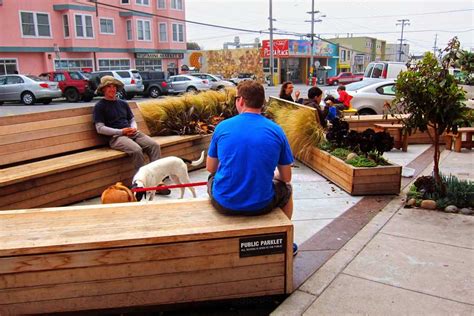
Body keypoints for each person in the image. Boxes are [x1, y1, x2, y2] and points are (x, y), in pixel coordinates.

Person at [206, 80, 298, 254]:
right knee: (287, 190)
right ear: (262, 102)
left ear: (240, 100)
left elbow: (210, 168)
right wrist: (272, 175)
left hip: (224, 203)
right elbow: (286, 177)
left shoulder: (223, 127)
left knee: (212, 178)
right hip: (261, 204)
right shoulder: (276, 130)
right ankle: (285, 241)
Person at [93, 75, 163, 173]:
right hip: (116, 137)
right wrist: (121, 132)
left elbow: (132, 119)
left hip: (132, 133)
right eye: (109, 86)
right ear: (103, 89)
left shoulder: (123, 103)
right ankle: (141, 183)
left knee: (154, 145)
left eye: (114, 86)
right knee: (137, 150)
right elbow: (100, 128)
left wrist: (133, 128)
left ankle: (157, 177)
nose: (112, 89)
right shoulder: (99, 106)